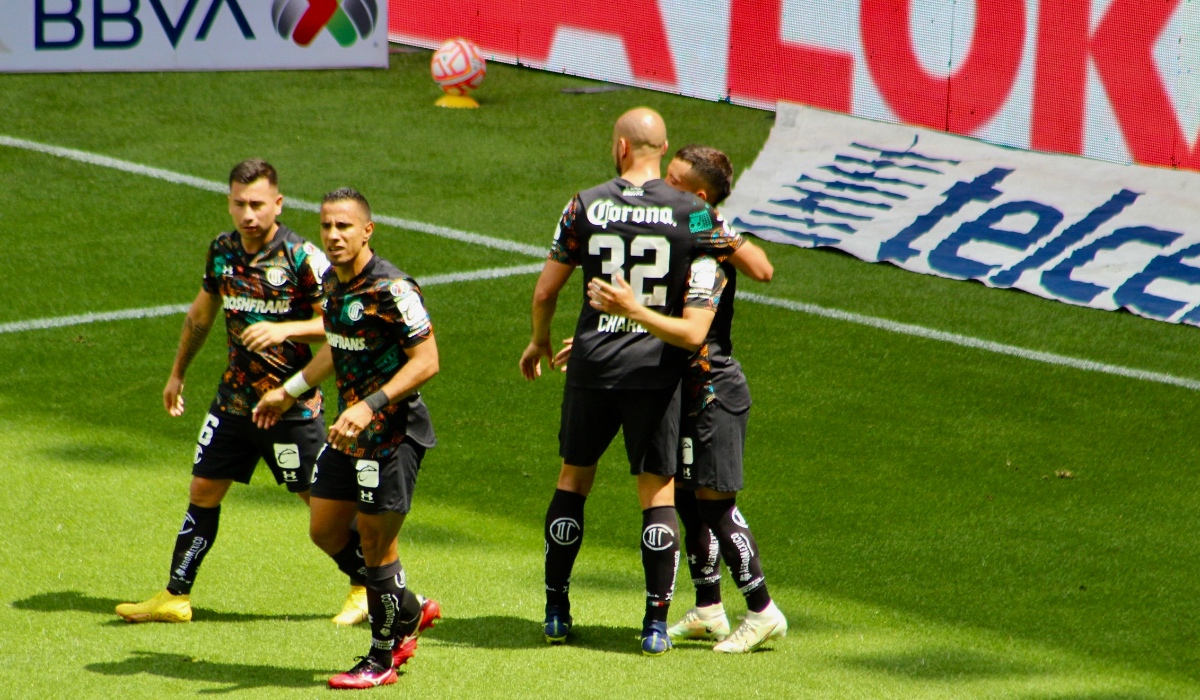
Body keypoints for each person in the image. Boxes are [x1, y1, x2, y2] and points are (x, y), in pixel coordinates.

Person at [519, 108, 751, 656]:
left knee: (573, 481)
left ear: (621, 148)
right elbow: (738, 259)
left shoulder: (583, 203)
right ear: (661, 146)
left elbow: (545, 291)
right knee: (657, 493)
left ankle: (556, 609)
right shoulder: (693, 211)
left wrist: (539, 340)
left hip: (593, 364)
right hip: (656, 371)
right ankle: (653, 624)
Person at [116, 159, 369, 627]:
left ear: (278, 203)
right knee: (203, 490)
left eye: (257, 204)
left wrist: (283, 329)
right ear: (229, 203)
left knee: (322, 506)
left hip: (291, 408)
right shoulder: (222, 251)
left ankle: (367, 586)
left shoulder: (303, 258)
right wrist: (177, 374)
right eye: (239, 203)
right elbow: (201, 315)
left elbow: (339, 325)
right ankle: (176, 595)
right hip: (235, 402)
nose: (248, 213)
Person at [586, 144, 788, 654]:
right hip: (681, 388)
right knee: (686, 503)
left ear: (697, 198)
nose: (656, 187)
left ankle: (763, 611)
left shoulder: (708, 257)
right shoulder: (674, 244)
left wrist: (632, 309)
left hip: (714, 390)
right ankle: (708, 608)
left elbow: (697, 328)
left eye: (669, 181)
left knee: (718, 506)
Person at [255, 188, 441, 689]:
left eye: (344, 227)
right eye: (326, 228)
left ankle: (383, 657)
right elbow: (338, 348)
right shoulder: (333, 286)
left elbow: (428, 362)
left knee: (378, 546)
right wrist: (289, 392)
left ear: (367, 231)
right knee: (326, 530)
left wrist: (369, 405)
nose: (334, 237)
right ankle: (405, 605)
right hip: (348, 432)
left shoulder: (394, 289)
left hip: (393, 435)